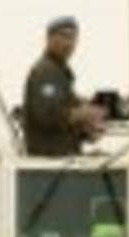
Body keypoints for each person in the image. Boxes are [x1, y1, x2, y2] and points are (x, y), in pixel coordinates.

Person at [22, 16, 103, 156]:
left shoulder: (59, 72)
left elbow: (63, 121)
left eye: (73, 38)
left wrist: (86, 131)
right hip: (48, 161)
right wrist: (83, 114)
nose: (69, 43)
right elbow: (47, 115)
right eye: (64, 36)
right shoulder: (46, 72)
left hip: (64, 156)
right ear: (49, 38)